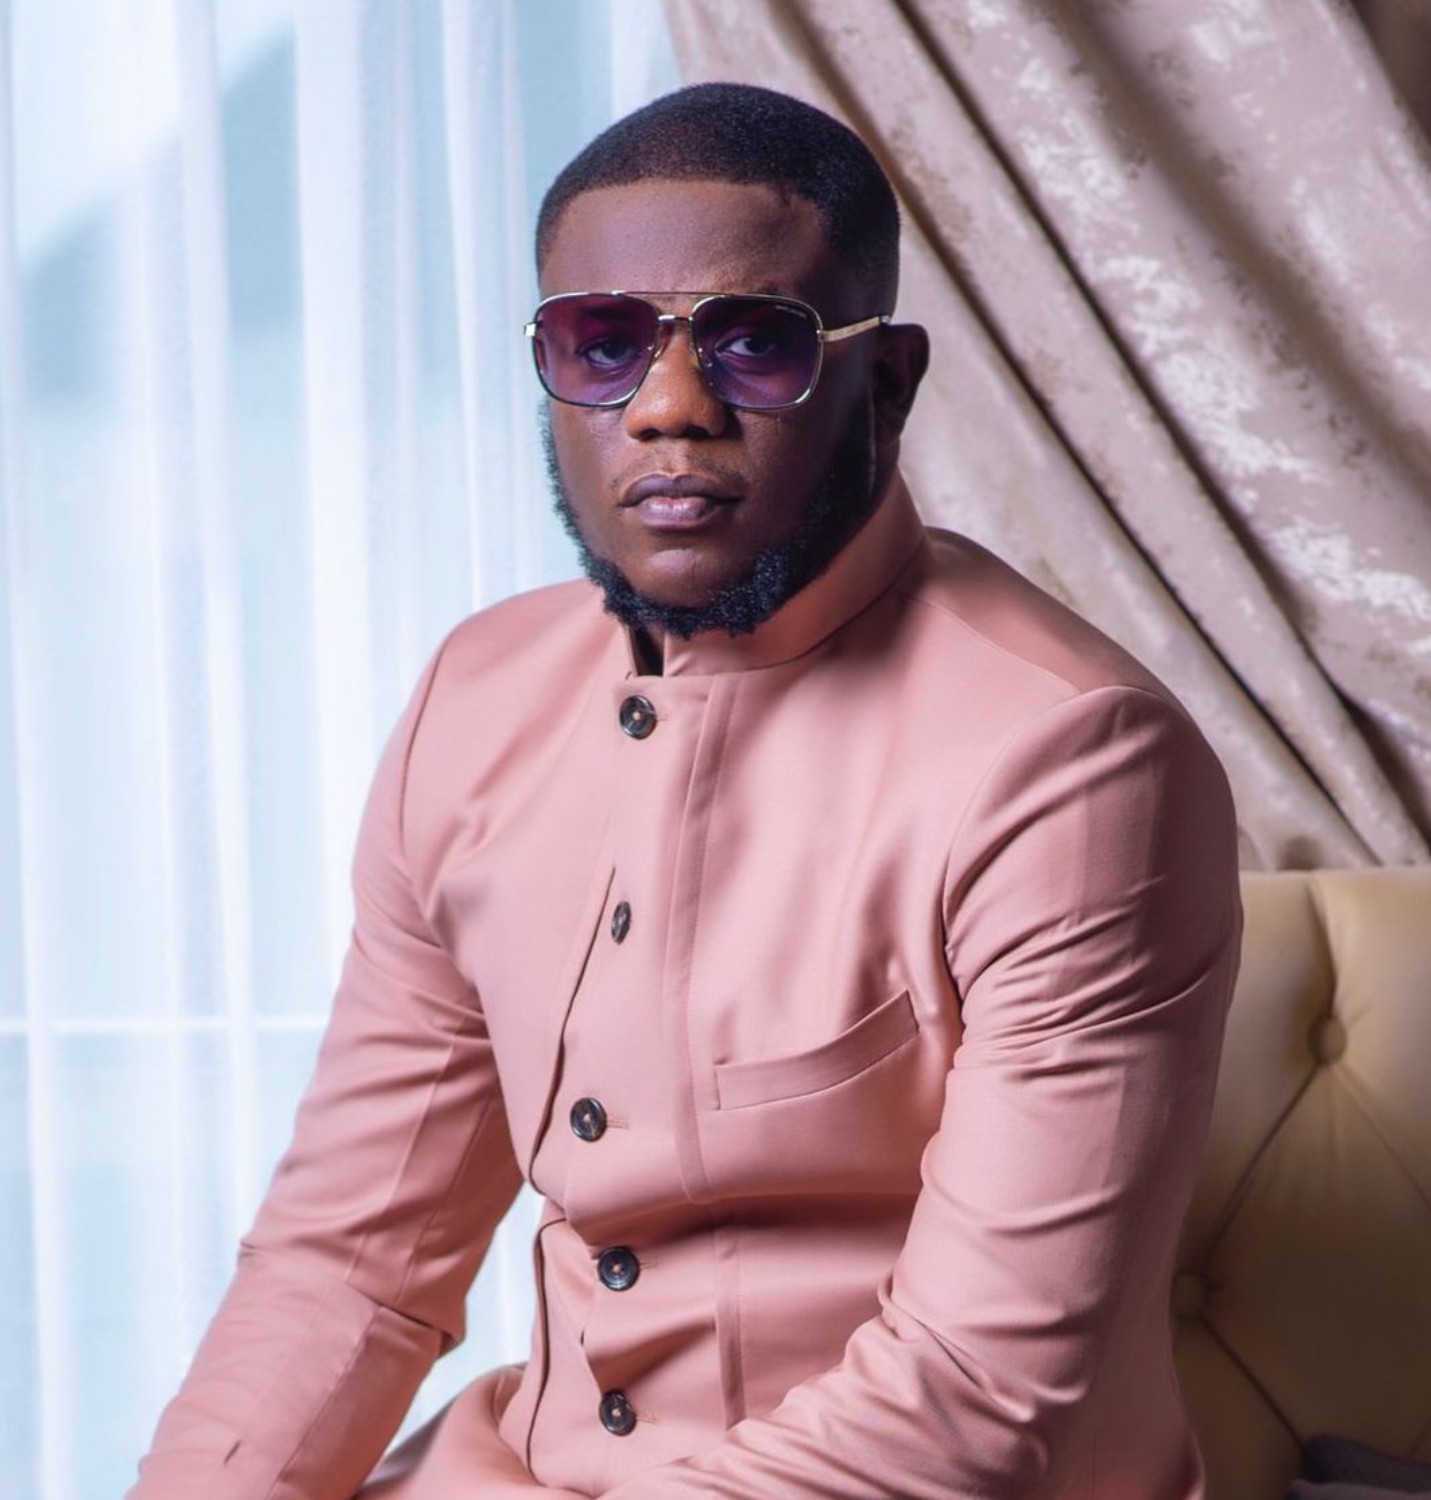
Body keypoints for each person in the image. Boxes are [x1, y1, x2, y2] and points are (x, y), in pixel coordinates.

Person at [130, 82, 1241, 1500]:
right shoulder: (476, 700)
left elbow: (974, 1401)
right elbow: (349, 1261)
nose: (666, 408)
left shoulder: (1072, 761)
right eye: (601, 344)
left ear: (886, 383)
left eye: (753, 344)